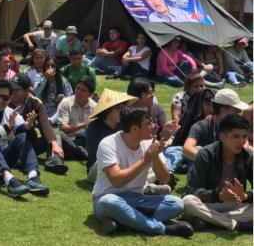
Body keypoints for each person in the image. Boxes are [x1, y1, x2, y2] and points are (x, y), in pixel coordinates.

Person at [92, 106, 193, 237]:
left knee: (176, 204)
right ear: (134, 129)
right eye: (149, 123)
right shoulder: (108, 144)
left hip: (138, 199)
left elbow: (164, 179)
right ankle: (161, 228)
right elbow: (116, 181)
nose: (154, 126)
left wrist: (155, 156)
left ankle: (125, 222)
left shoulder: (149, 143)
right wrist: (145, 161)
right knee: (109, 202)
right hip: (108, 198)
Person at [183, 114, 252, 232]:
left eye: (244, 136)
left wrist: (245, 196)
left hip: (233, 204)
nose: (241, 141)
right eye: (236, 136)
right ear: (222, 137)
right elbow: (193, 190)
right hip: (209, 203)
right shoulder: (206, 154)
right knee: (187, 202)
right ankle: (236, 225)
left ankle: (208, 220)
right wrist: (218, 195)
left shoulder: (247, 157)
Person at [11, 73, 68, 175]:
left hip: (29, 139)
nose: (13, 92)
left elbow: (44, 124)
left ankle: (55, 161)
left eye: (17, 90)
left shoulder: (35, 103)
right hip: (11, 142)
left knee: (55, 136)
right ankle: (18, 159)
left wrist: (53, 143)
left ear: (26, 91)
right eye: (12, 89)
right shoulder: (4, 100)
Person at [86, 89, 137, 182]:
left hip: (122, 165)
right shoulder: (94, 128)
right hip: (99, 167)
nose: (122, 112)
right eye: (118, 109)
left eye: (123, 108)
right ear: (107, 111)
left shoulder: (124, 125)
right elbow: (95, 157)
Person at [183, 89, 248, 161]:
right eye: (236, 109)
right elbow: (187, 148)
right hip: (206, 165)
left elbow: (246, 147)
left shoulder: (238, 128)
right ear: (223, 110)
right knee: (200, 149)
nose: (239, 112)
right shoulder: (202, 126)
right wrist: (213, 161)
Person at [57, 76, 97, 162]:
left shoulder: (95, 107)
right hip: (68, 139)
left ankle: (74, 153)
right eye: (78, 88)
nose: (79, 92)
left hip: (84, 140)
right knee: (59, 135)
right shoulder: (66, 103)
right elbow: (63, 129)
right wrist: (83, 124)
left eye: (83, 90)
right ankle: (82, 153)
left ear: (90, 95)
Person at [33, 57, 72, 125]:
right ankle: (47, 121)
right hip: (42, 107)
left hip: (56, 110)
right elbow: (36, 92)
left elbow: (69, 98)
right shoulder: (39, 77)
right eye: (48, 66)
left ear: (57, 67)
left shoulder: (63, 80)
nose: (50, 68)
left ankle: (49, 121)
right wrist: (45, 78)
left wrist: (62, 100)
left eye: (53, 65)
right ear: (44, 67)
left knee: (65, 108)